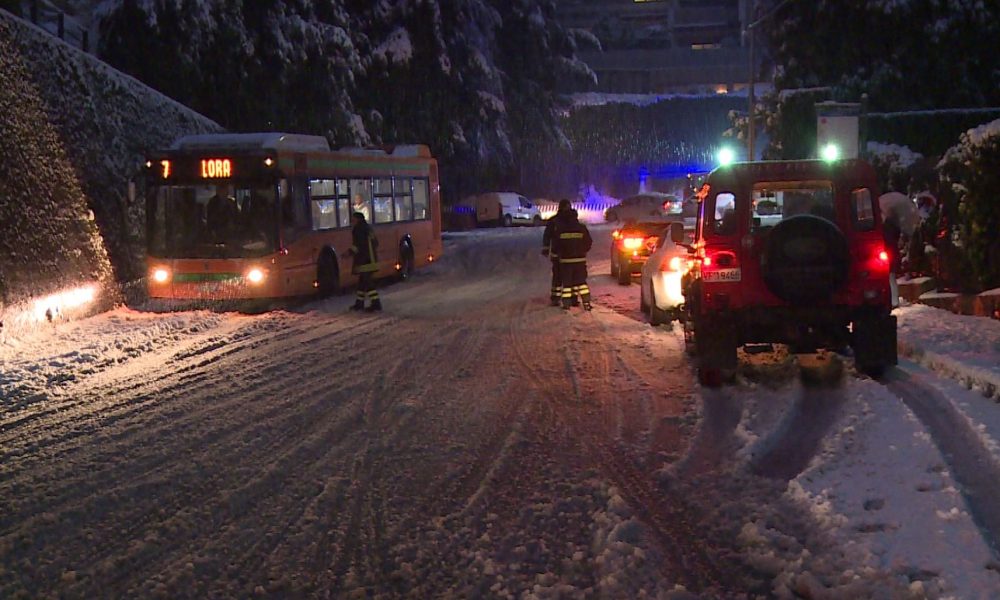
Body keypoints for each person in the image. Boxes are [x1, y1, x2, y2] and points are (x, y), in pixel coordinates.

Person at [553, 209, 593, 311]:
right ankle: (586, 302)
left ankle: (566, 304)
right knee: (582, 283)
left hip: (565, 262)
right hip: (580, 261)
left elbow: (555, 245)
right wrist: (582, 251)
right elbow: (588, 242)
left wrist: (557, 255)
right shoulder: (582, 228)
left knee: (567, 284)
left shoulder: (560, 229)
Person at [541, 199, 573, 306]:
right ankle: (557, 297)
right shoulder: (555, 221)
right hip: (560, 254)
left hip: (567, 254)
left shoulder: (570, 220)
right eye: (566, 207)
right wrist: (546, 248)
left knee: (565, 276)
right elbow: (547, 235)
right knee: (559, 276)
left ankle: (567, 297)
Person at [348, 211, 381, 312]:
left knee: (367, 282)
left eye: (353, 219)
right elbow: (376, 243)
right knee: (362, 283)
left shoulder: (358, 229)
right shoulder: (367, 228)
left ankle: (376, 304)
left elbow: (358, 245)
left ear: (358, 219)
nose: (351, 221)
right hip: (371, 259)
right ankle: (359, 303)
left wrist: (348, 253)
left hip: (365, 261)